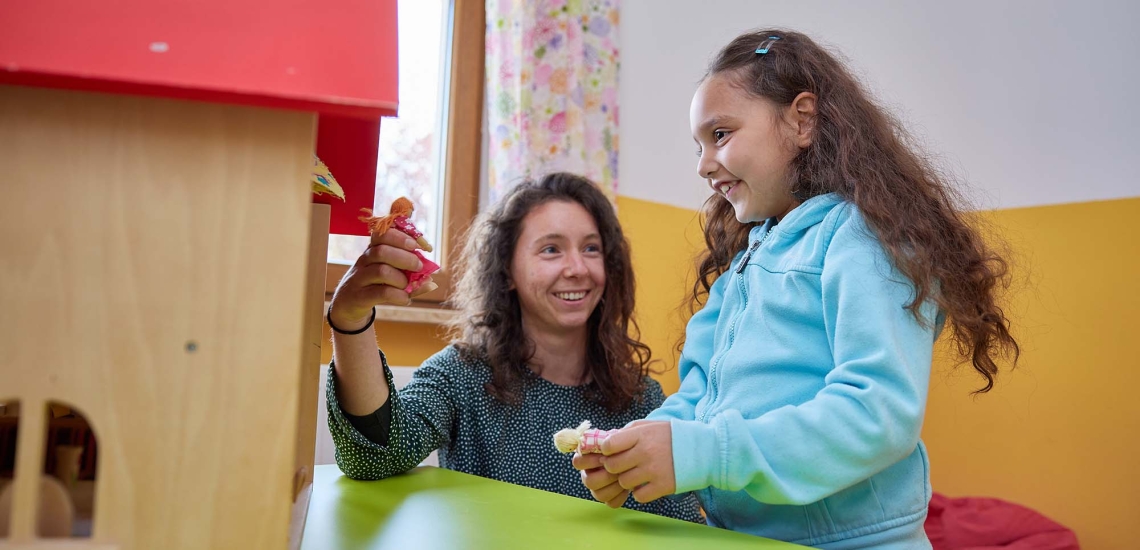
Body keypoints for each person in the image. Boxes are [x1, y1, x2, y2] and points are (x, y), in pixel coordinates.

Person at [574, 29, 1020, 548]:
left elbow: (877, 412)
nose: (702, 164)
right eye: (699, 145)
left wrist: (702, 453)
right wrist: (640, 446)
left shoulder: (861, 238)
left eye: (720, 134)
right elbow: (698, 397)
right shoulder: (744, 262)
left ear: (801, 120)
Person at [324, 172, 702, 522]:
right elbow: (373, 456)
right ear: (507, 272)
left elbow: (686, 527)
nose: (577, 268)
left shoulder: (643, 398)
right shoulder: (461, 376)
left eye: (591, 248)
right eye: (551, 250)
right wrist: (351, 320)